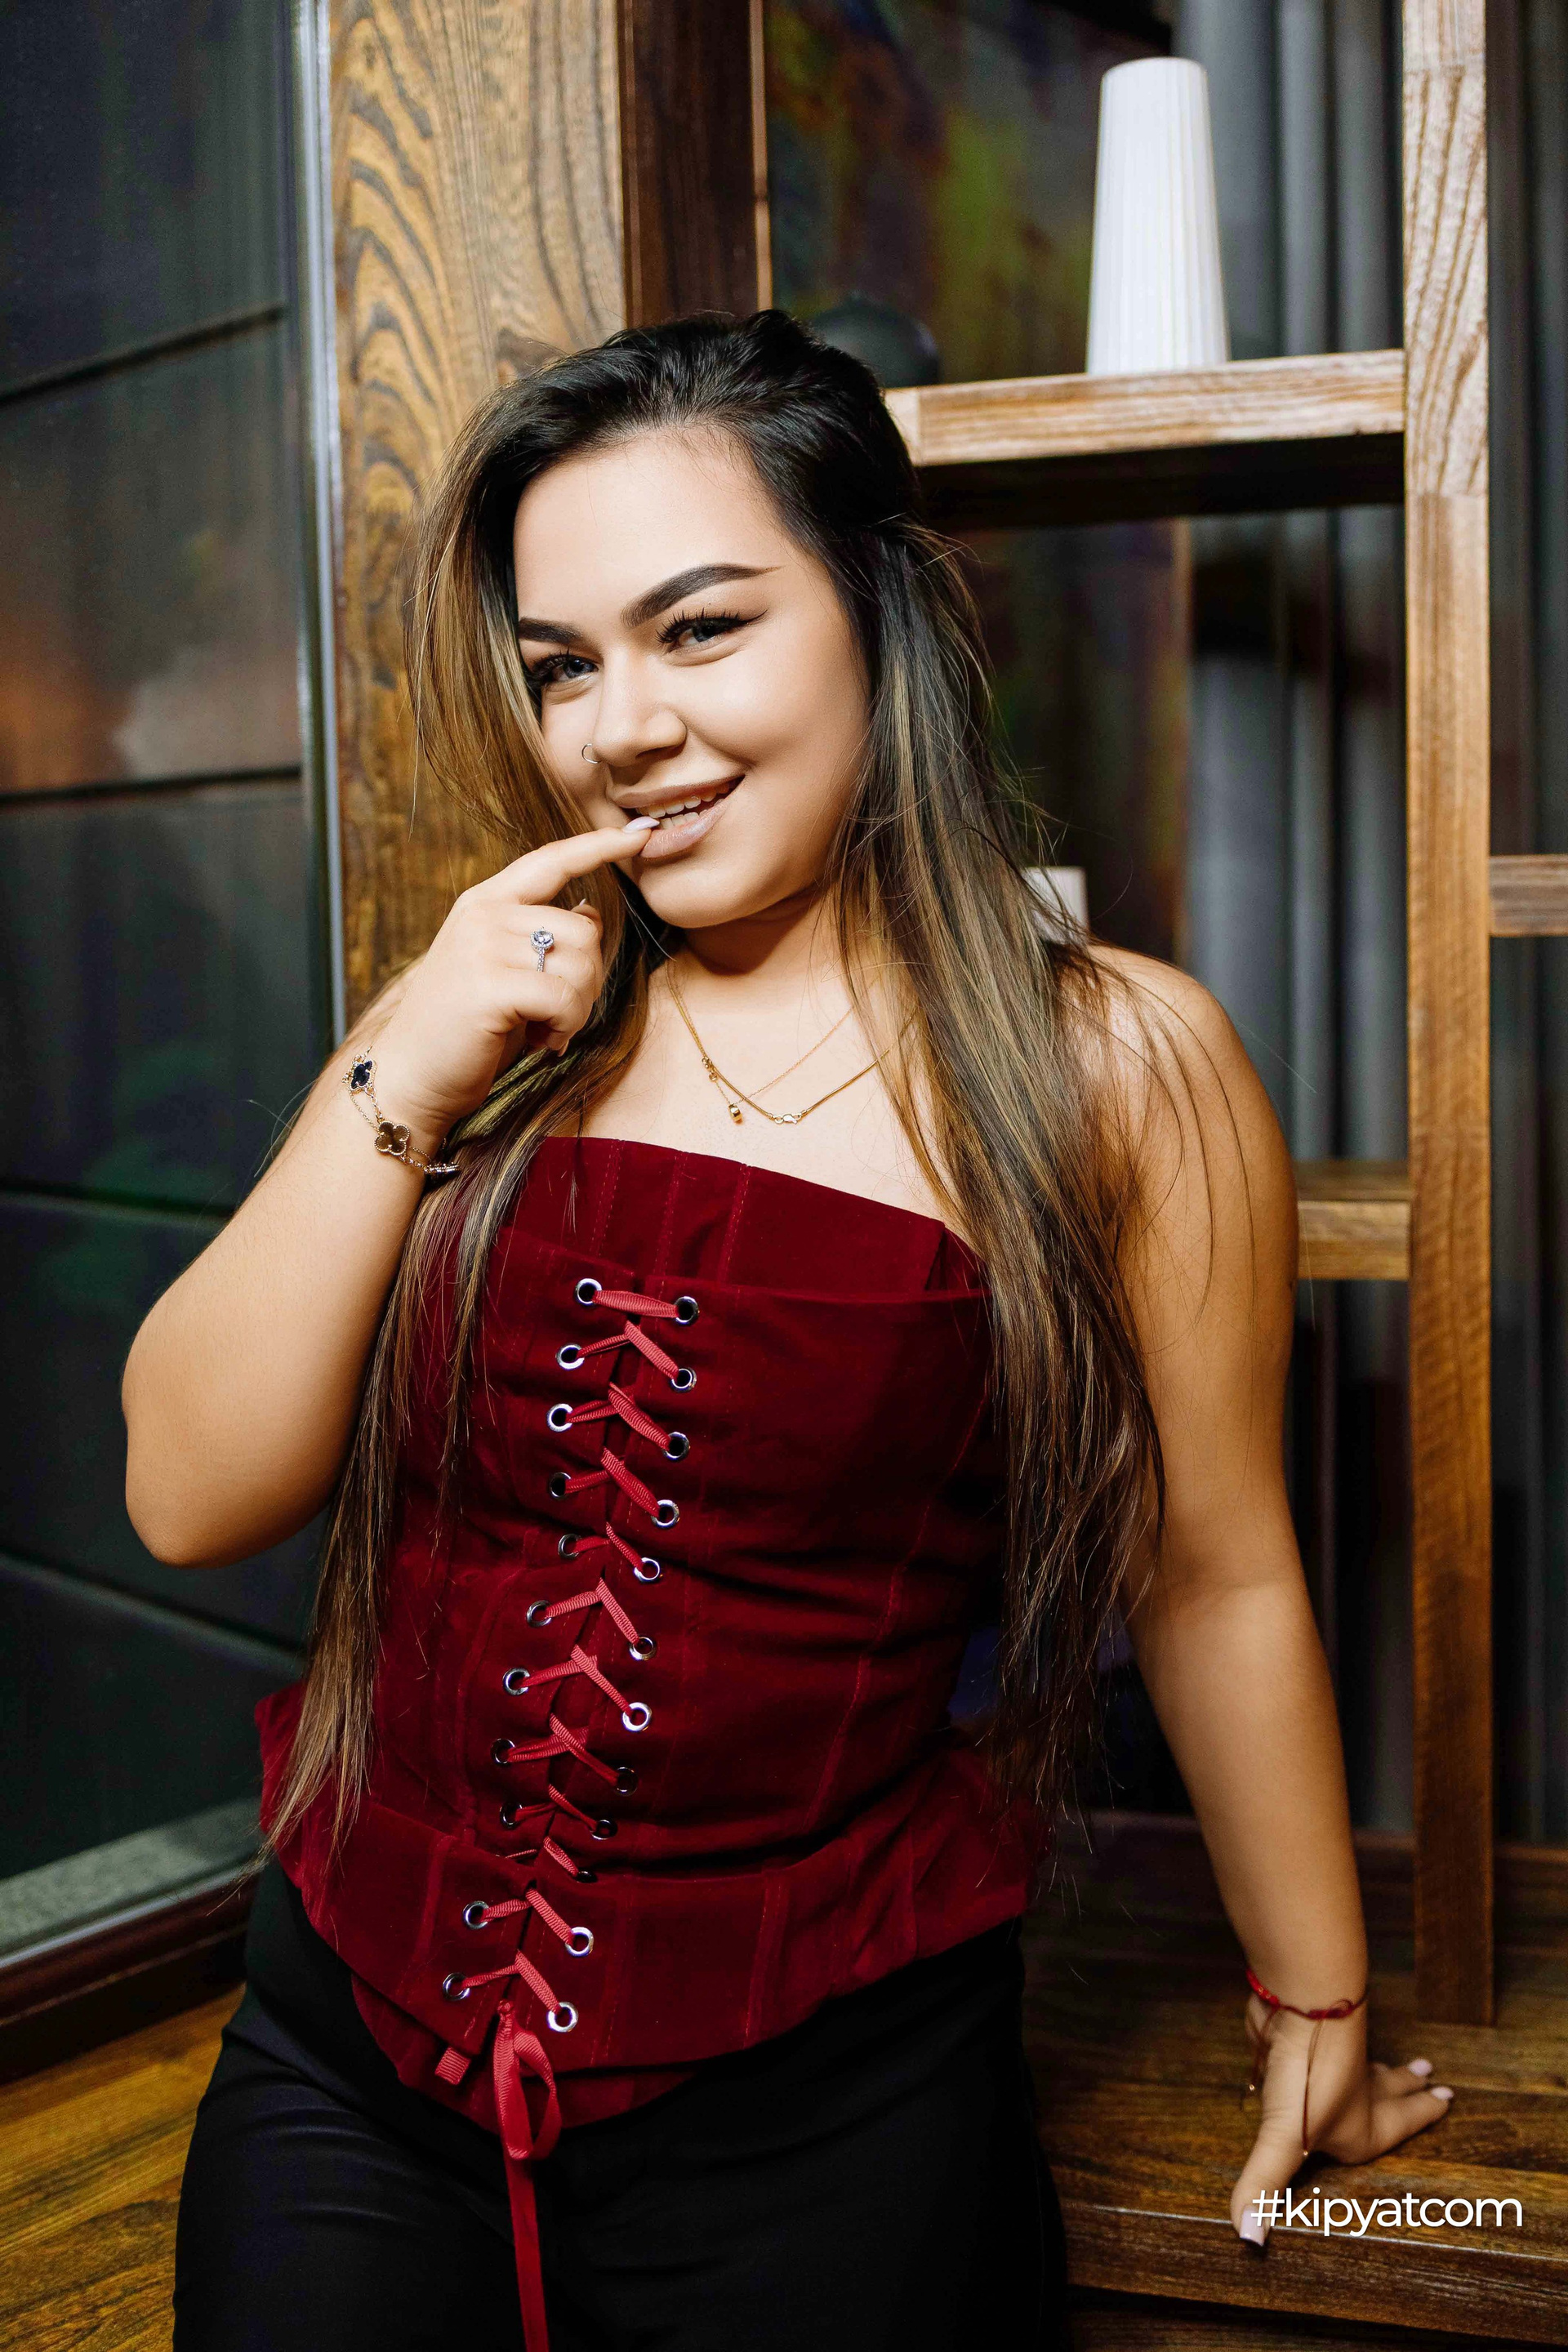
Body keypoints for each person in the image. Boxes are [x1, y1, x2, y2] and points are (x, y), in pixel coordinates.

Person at [125, 311, 1450, 2352]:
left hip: (822, 2104)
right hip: (345, 2078)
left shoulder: (1114, 1065)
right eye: (564, 665)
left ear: (880, 612)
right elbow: (191, 1492)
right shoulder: (494, 1018)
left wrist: (1320, 2001)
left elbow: (1213, 1570)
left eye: (701, 628)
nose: (621, 725)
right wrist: (404, 1056)